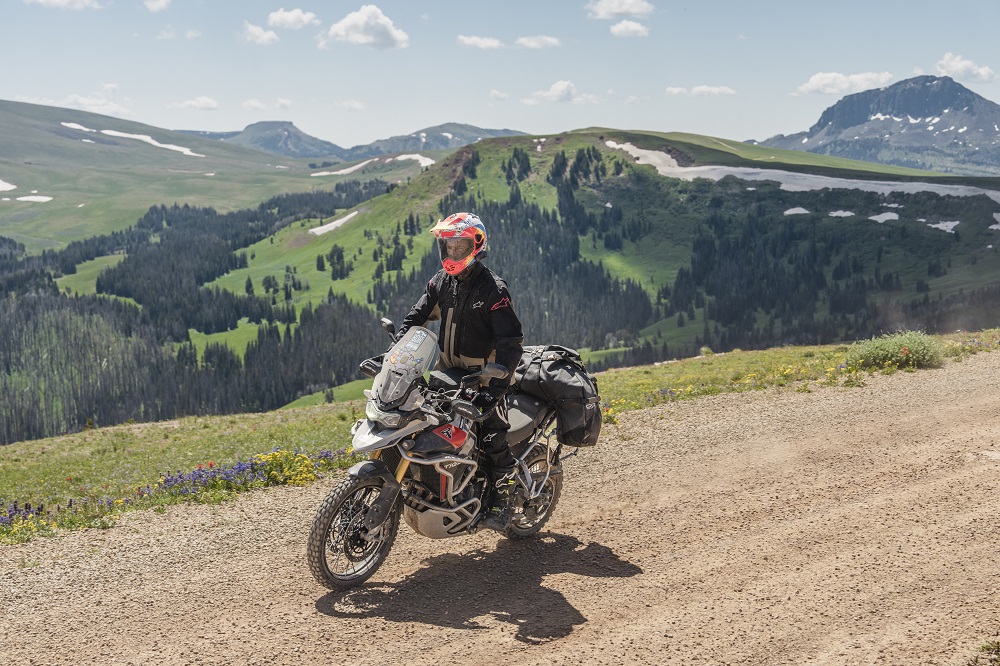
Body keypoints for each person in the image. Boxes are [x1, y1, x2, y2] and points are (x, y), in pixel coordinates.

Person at [395, 212, 524, 532]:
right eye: (448, 246)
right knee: (417, 421)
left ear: (476, 246)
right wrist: (395, 352)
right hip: (447, 373)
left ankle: (504, 502)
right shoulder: (441, 281)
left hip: (486, 377)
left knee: (492, 436)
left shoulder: (493, 289)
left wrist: (495, 388)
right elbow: (416, 318)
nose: (452, 252)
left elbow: (510, 341)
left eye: (459, 246)